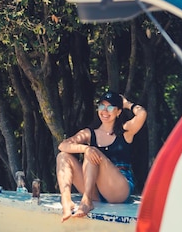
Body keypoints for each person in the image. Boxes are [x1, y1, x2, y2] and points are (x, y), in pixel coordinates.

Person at [56, 91, 147, 222]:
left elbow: (142, 114)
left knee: (92, 152)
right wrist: (85, 148)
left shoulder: (125, 131)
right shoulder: (89, 133)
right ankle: (66, 201)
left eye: (110, 107)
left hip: (119, 188)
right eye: (102, 106)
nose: (105, 111)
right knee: (63, 156)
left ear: (118, 112)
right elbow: (63, 145)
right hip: (97, 191)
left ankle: (86, 201)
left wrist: (127, 104)